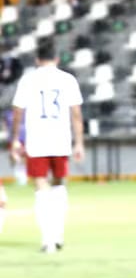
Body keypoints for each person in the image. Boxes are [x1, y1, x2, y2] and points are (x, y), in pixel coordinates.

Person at [10, 41, 84, 253]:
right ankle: (58, 234)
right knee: (59, 185)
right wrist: (79, 143)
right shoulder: (68, 79)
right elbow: (76, 115)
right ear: (57, 58)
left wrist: (16, 138)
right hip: (61, 140)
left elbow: (17, 112)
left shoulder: (28, 80)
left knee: (41, 187)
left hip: (37, 141)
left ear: (37, 60)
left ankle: (47, 240)